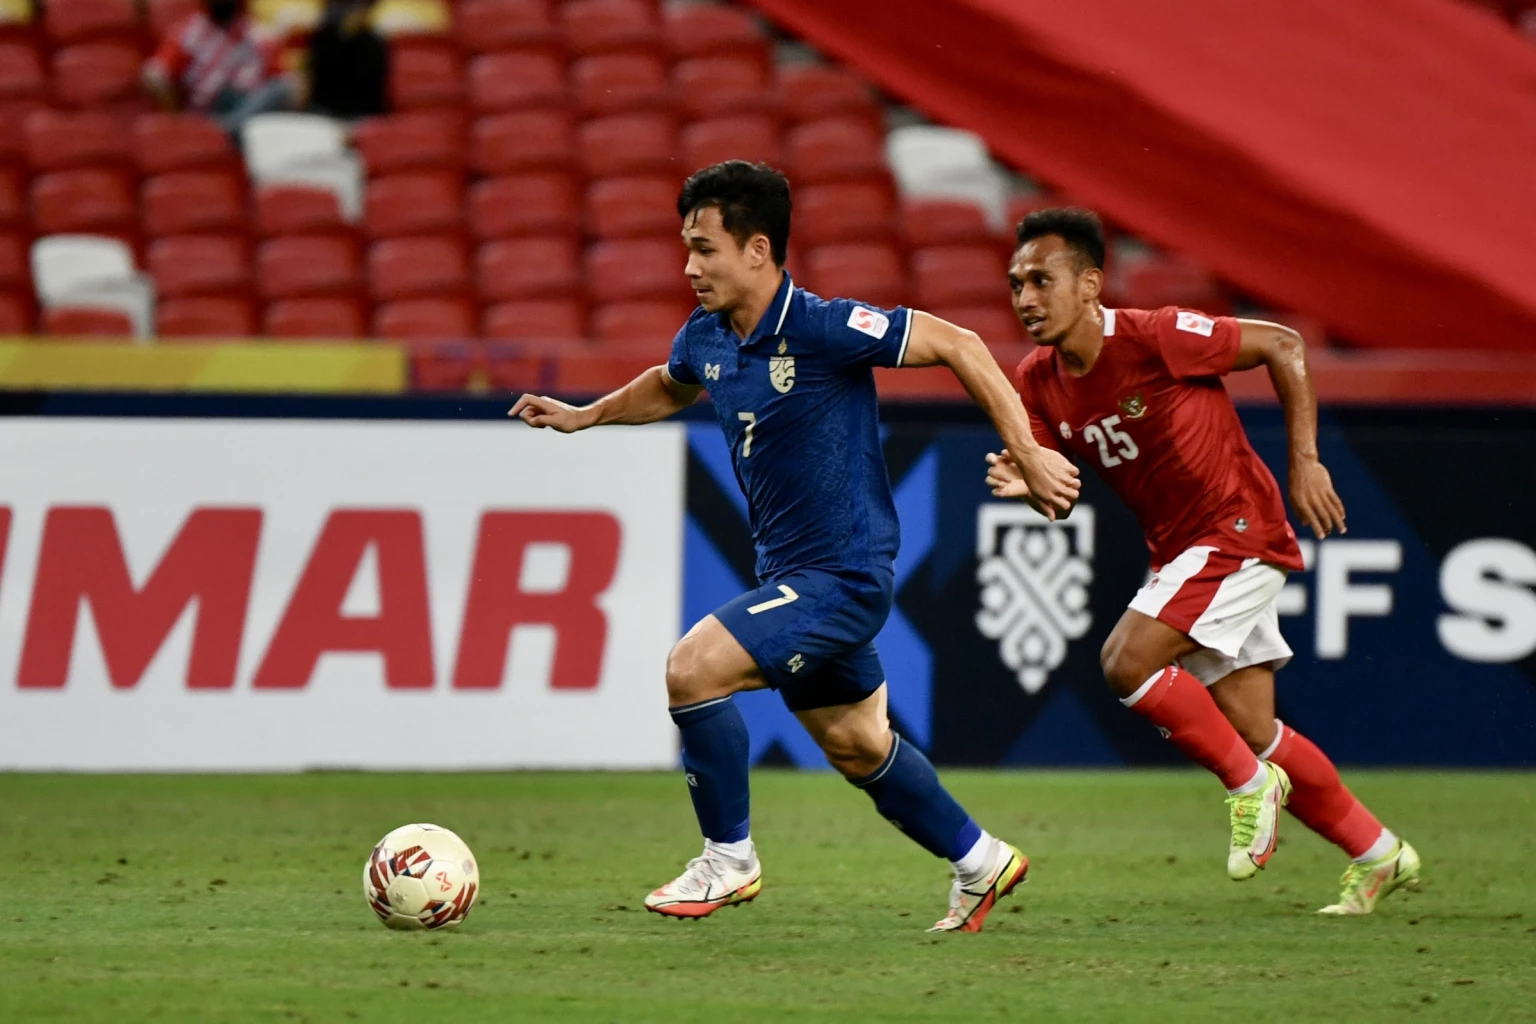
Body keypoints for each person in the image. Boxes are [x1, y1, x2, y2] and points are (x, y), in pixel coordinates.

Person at [510, 161, 1081, 931]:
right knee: (856, 744)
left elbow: (962, 343)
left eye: (705, 249)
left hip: (843, 575)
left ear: (757, 250)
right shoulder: (707, 338)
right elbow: (672, 382)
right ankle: (980, 860)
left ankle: (728, 859)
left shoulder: (820, 327)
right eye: (686, 248)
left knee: (692, 668)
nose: (689, 267)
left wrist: (1031, 450)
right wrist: (586, 416)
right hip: (790, 573)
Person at [985, 208, 1418, 915]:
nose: (1027, 298)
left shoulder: (1156, 335)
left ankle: (1250, 788)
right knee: (1255, 730)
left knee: (1126, 661)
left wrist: (1304, 460)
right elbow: (1060, 496)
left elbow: (1282, 343)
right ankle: (1379, 854)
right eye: (1016, 284)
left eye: (1043, 279)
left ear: (1091, 283)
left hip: (1236, 528)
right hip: (1180, 550)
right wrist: (1028, 483)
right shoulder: (1036, 381)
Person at [143, 0, 296, 137]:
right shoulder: (189, 34)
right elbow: (154, 74)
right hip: (209, 111)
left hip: (251, 109)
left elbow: (284, 86)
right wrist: (176, 114)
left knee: (283, 89)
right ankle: (231, 129)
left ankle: (231, 128)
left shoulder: (258, 35)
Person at [305, 0, 389, 121]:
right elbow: (320, 75)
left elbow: (370, 83)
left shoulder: (375, 42)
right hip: (324, 110)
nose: (352, 12)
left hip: (363, 113)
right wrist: (344, 36)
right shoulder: (323, 36)